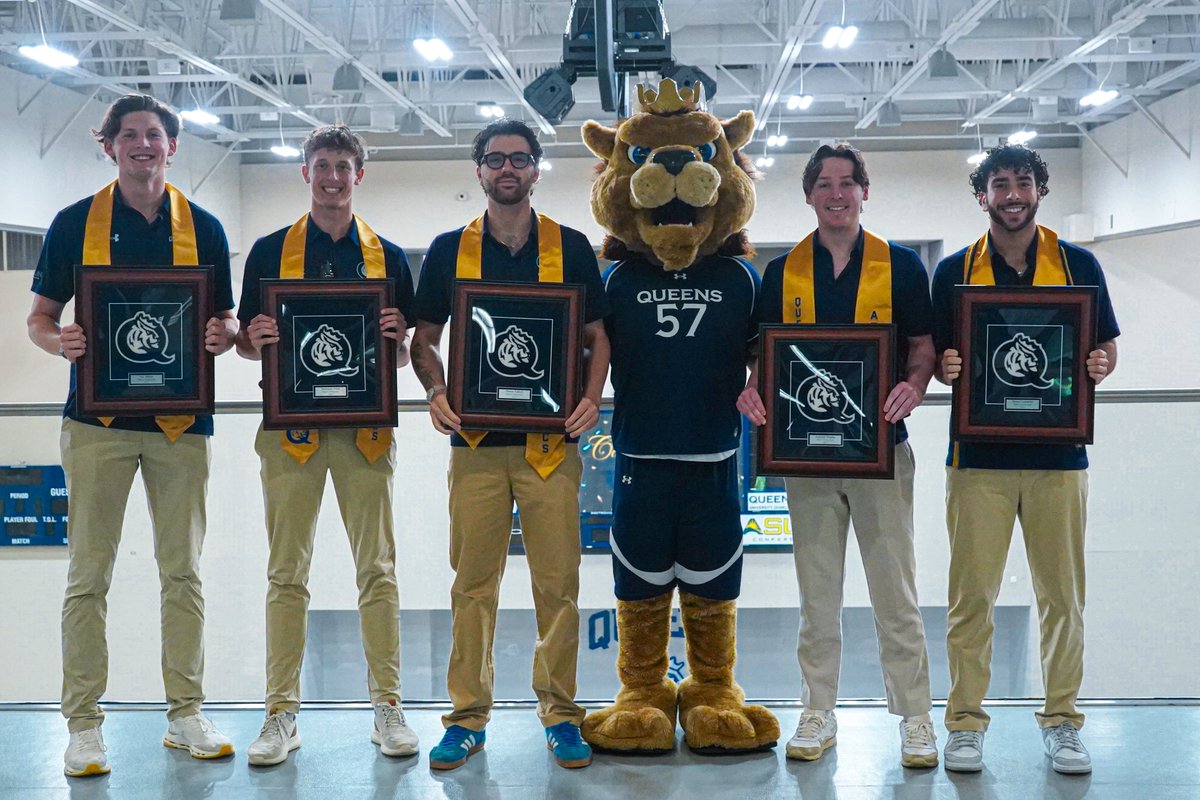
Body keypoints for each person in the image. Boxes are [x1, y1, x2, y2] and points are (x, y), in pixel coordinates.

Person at [26, 93, 237, 777]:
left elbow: (227, 322)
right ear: (109, 145)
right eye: (130, 136)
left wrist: (222, 334)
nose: (143, 146)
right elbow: (39, 318)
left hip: (180, 425)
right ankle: (84, 726)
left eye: (155, 135)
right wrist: (60, 340)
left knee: (183, 574)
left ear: (173, 146)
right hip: (96, 423)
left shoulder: (202, 226)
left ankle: (186, 714)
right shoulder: (72, 224)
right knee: (89, 577)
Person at [409, 118, 610, 770]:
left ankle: (560, 715)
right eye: (495, 159)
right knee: (473, 585)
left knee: (559, 585)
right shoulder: (449, 249)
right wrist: (436, 392)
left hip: (551, 446)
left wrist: (591, 397)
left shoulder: (571, 246)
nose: (507, 168)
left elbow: (599, 336)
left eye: (519, 159)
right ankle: (467, 718)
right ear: (479, 171)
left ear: (535, 169)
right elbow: (423, 339)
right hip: (475, 444)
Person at [738, 142, 938, 768]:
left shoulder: (901, 266)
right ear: (808, 196)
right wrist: (751, 390)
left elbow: (925, 347)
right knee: (817, 595)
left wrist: (915, 384)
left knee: (896, 593)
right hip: (808, 459)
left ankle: (915, 718)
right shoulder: (781, 272)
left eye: (847, 182)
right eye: (824, 183)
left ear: (864, 192)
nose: (836, 193)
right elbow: (763, 356)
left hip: (882, 453)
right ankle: (817, 710)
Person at [932, 144, 1119, 775]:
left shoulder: (1079, 263)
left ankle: (1063, 722)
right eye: (998, 185)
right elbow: (937, 359)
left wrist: (1099, 364)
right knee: (970, 600)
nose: (1012, 194)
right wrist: (944, 367)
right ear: (981, 196)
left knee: (1062, 597)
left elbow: (1104, 349)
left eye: (1022, 183)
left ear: (1040, 190)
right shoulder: (955, 269)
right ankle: (963, 723)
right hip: (977, 459)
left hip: (1058, 458)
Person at [235, 124, 416, 766]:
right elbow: (242, 342)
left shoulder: (388, 256)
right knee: (287, 574)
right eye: (321, 165)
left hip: (366, 433)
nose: (332, 176)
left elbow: (396, 359)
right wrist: (252, 335)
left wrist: (395, 338)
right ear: (304, 173)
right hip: (291, 435)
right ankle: (280, 713)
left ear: (358, 175)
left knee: (379, 572)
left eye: (343, 165)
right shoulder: (267, 252)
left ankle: (386, 708)